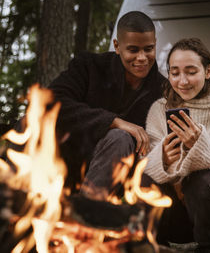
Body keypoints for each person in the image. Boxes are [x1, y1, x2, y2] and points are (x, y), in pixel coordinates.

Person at [143, 38, 210, 253]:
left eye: (191, 72)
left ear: (208, 71)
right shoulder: (158, 108)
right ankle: (156, 245)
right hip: (171, 213)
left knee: (202, 180)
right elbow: (146, 165)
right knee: (143, 178)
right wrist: (162, 158)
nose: (182, 81)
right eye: (175, 73)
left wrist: (199, 145)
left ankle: (208, 248)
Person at [49, 11, 166, 197]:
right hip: (64, 162)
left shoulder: (163, 90)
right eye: (133, 50)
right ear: (117, 46)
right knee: (26, 123)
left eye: (148, 49)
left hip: (120, 179)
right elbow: (51, 101)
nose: (142, 57)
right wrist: (114, 121)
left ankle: (84, 217)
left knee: (120, 139)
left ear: (155, 44)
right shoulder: (88, 66)